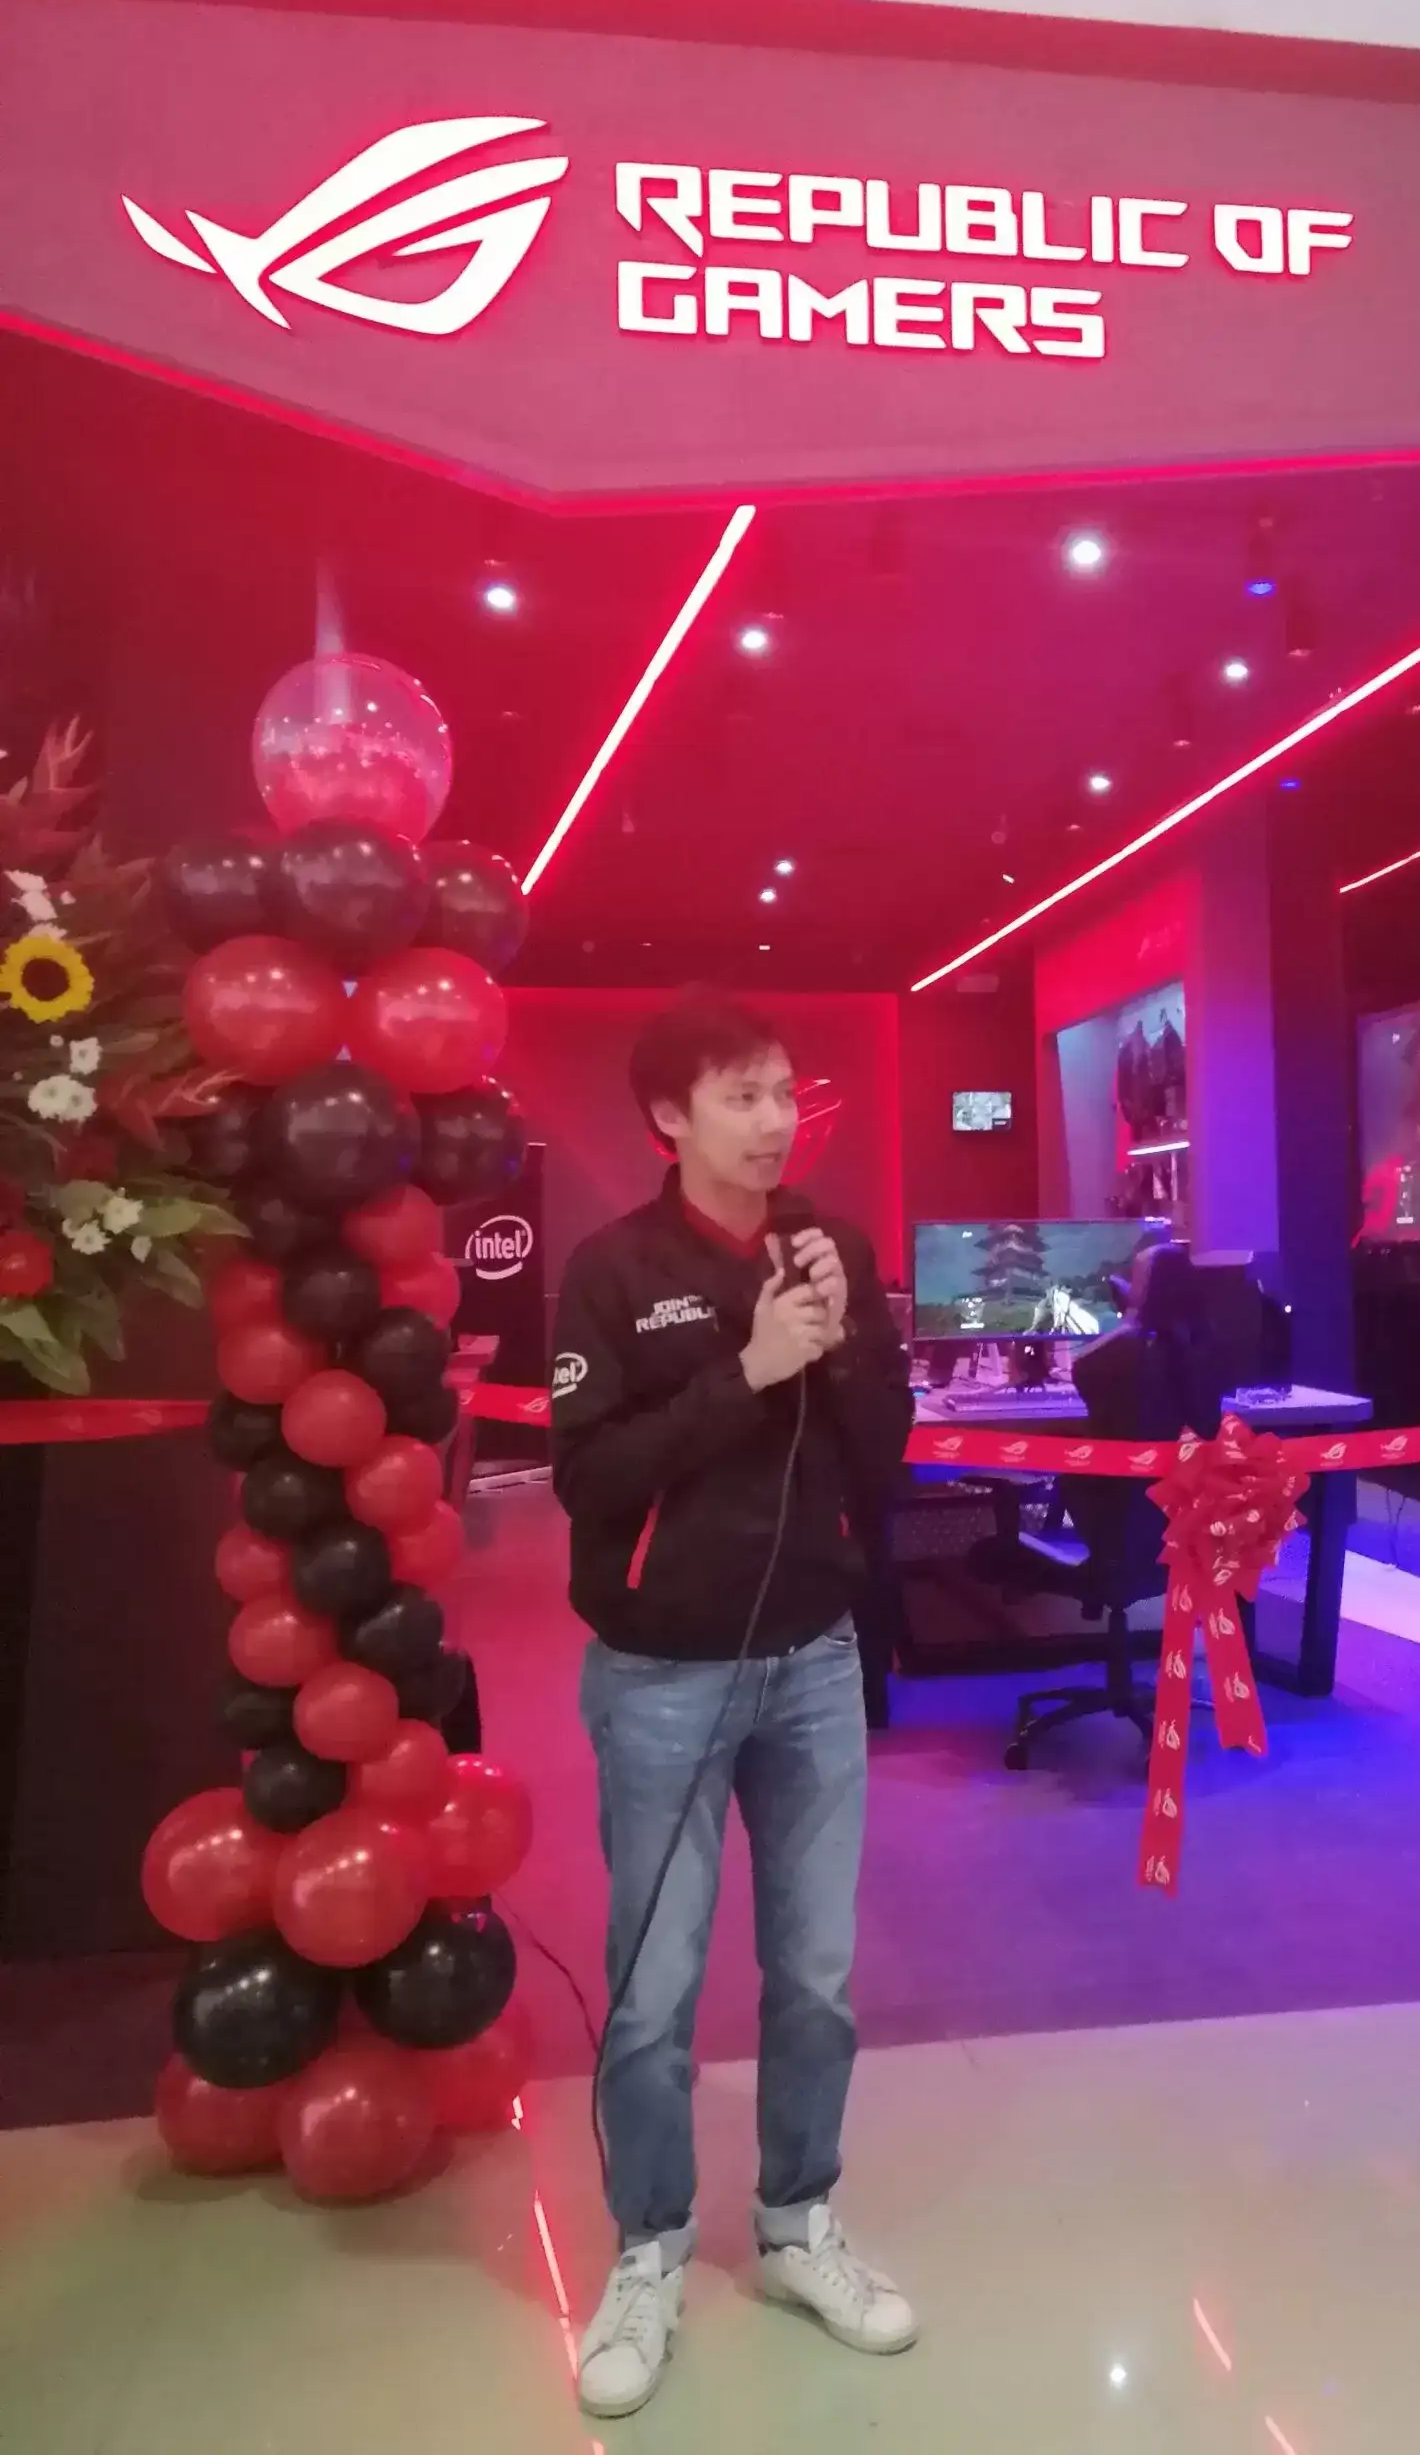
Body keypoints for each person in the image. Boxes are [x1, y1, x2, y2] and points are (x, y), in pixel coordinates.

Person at [548, 990, 917, 2422]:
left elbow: (885, 1450)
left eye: (784, 1094)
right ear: (669, 1117)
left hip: (814, 1663)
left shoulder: (831, 1247)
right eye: (741, 1097)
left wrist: (848, 1339)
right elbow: (587, 1478)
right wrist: (745, 1372)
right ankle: (648, 2250)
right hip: (662, 1678)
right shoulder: (611, 1272)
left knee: (816, 1977)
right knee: (654, 1991)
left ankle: (797, 2224)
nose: (775, 1124)